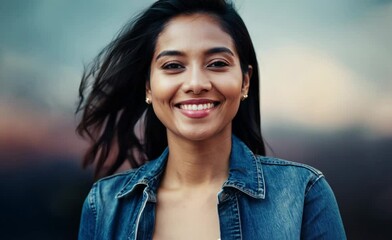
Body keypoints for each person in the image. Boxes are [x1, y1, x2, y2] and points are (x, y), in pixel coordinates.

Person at [76, 0, 346, 239]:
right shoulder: (105, 206)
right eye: (173, 66)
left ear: (245, 81)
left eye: (217, 63)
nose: (195, 83)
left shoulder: (302, 195)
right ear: (148, 86)